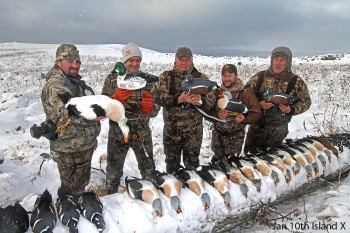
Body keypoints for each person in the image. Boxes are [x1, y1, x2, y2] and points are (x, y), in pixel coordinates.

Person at [40, 44, 101, 195]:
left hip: (82, 144)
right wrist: (97, 115)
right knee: (71, 190)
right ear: (58, 61)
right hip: (69, 148)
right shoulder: (56, 86)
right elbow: (68, 115)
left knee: (80, 185)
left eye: (77, 61)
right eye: (70, 60)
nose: (75, 65)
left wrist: (92, 136)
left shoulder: (75, 83)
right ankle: (68, 209)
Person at [101, 42, 159, 194]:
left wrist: (150, 108)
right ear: (124, 61)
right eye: (131, 60)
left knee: (148, 170)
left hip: (142, 132)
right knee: (113, 172)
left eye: (137, 60)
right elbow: (103, 107)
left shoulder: (147, 80)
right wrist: (115, 99)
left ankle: (151, 199)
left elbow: (156, 109)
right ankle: (110, 200)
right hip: (118, 132)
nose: (135, 63)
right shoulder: (112, 80)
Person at [157, 47, 216, 174]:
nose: (184, 63)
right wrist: (178, 99)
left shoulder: (201, 78)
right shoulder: (166, 77)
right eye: (181, 59)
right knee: (172, 168)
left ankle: (194, 191)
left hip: (193, 133)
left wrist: (200, 101)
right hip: (171, 132)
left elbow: (211, 101)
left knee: (193, 167)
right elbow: (158, 98)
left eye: (187, 59)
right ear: (175, 59)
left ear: (192, 60)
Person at [244, 46, 311, 154]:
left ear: (288, 62)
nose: (278, 63)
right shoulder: (259, 77)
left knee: (272, 163)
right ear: (271, 60)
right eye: (276, 59)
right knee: (249, 162)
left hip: (278, 131)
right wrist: (258, 105)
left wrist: (291, 109)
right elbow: (245, 96)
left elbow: (306, 102)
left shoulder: (296, 81)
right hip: (256, 129)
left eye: (282, 60)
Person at [210, 64, 261, 167]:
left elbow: (257, 113)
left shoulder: (246, 93)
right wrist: (217, 115)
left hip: (235, 137)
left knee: (231, 164)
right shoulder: (217, 92)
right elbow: (208, 110)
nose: (227, 79)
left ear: (236, 76)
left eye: (230, 75)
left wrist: (244, 119)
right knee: (217, 163)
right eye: (224, 76)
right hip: (218, 135)